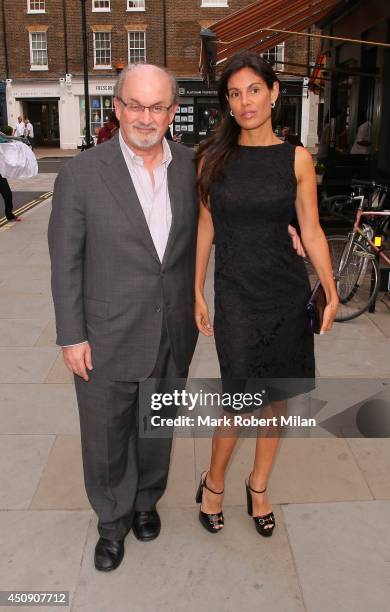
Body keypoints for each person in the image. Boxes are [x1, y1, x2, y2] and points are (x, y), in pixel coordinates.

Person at [48, 63, 199, 572]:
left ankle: (146, 501)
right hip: (104, 334)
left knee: (157, 426)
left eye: (157, 106)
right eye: (135, 104)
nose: (145, 117)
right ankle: (111, 523)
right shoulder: (82, 174)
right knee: (108, 437)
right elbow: (66, 259)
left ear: (172, 112)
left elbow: (225, 222)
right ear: (117, 108)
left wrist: (285, 235)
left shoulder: (191, 167)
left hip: (170, 328)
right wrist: (71, 336)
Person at [194, 51, 339, 537]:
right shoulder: (213, 158)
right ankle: (213, 483)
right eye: (235, 93)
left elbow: (313, 231)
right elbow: (206, 227)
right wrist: (196, 290)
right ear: (227, 103)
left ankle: (258, 486)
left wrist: (331, 290)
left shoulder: (296, 159)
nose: (245, 101)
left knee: (275, 399)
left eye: (254, 89)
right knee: (238, 398)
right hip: (236, 295)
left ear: (275, 92)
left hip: (284, 292)